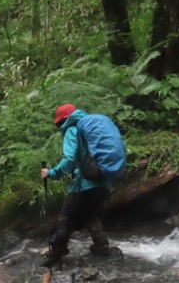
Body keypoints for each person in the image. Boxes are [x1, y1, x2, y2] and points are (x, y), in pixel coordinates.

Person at [40, 104, 127, 267]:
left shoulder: (72, 130)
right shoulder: (90, 128)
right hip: (104, 181)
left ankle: (57, 251)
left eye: (59, 123)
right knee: (90, 213)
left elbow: (69, 160)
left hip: (85, 184)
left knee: (67, 215)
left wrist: (52, 173)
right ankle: (101, 245)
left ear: (63, 121)